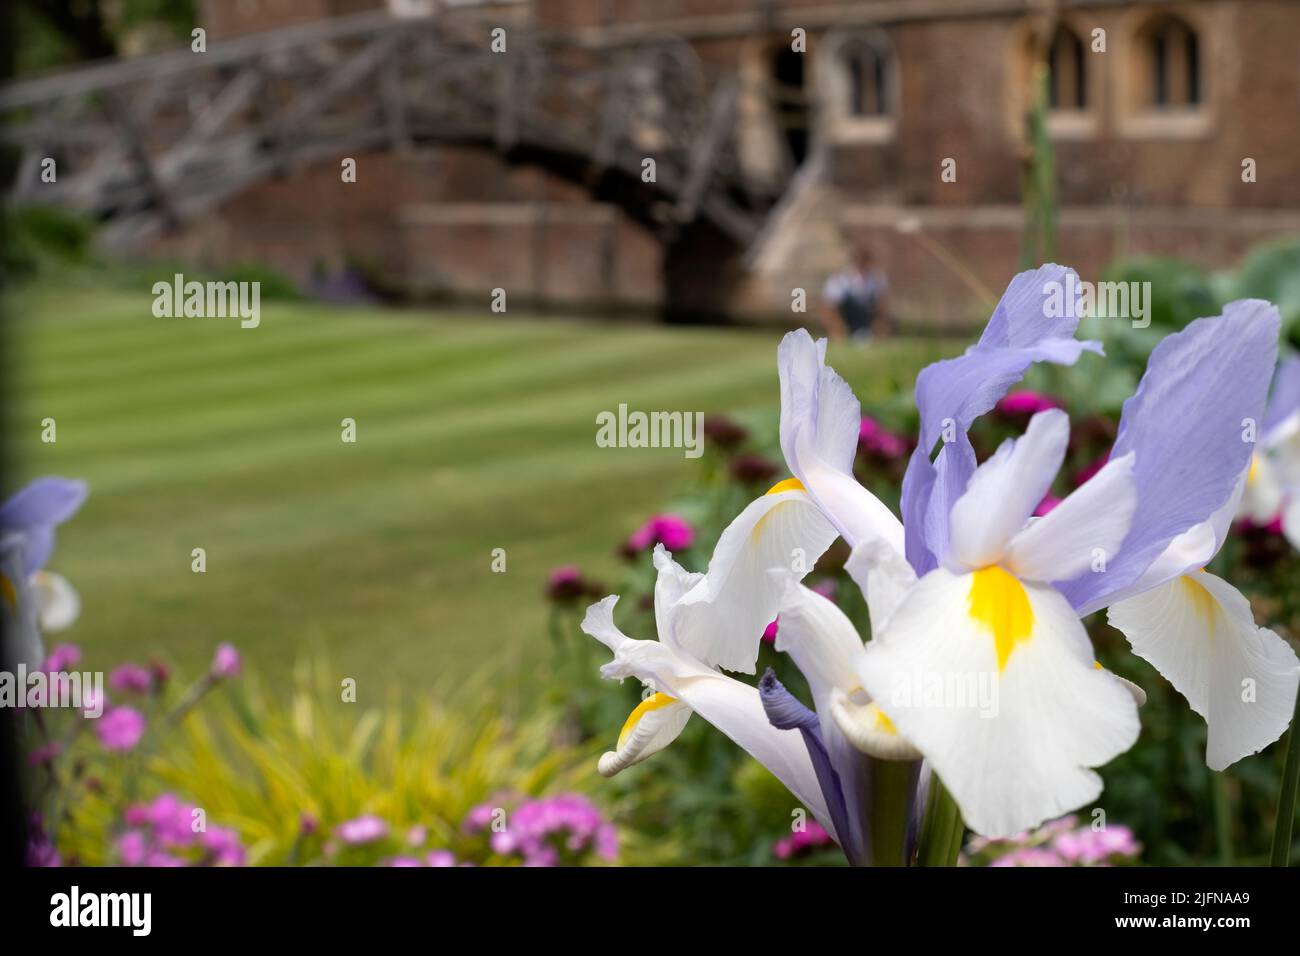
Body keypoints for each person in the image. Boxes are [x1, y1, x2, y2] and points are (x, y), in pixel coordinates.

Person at [821, 246, 892, 343]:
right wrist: (838, 331)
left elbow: (882, 306)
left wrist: (879, 328)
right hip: (846, 321)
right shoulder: (840, 279)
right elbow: (830, 309)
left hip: (868, 321)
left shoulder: (877, 279)